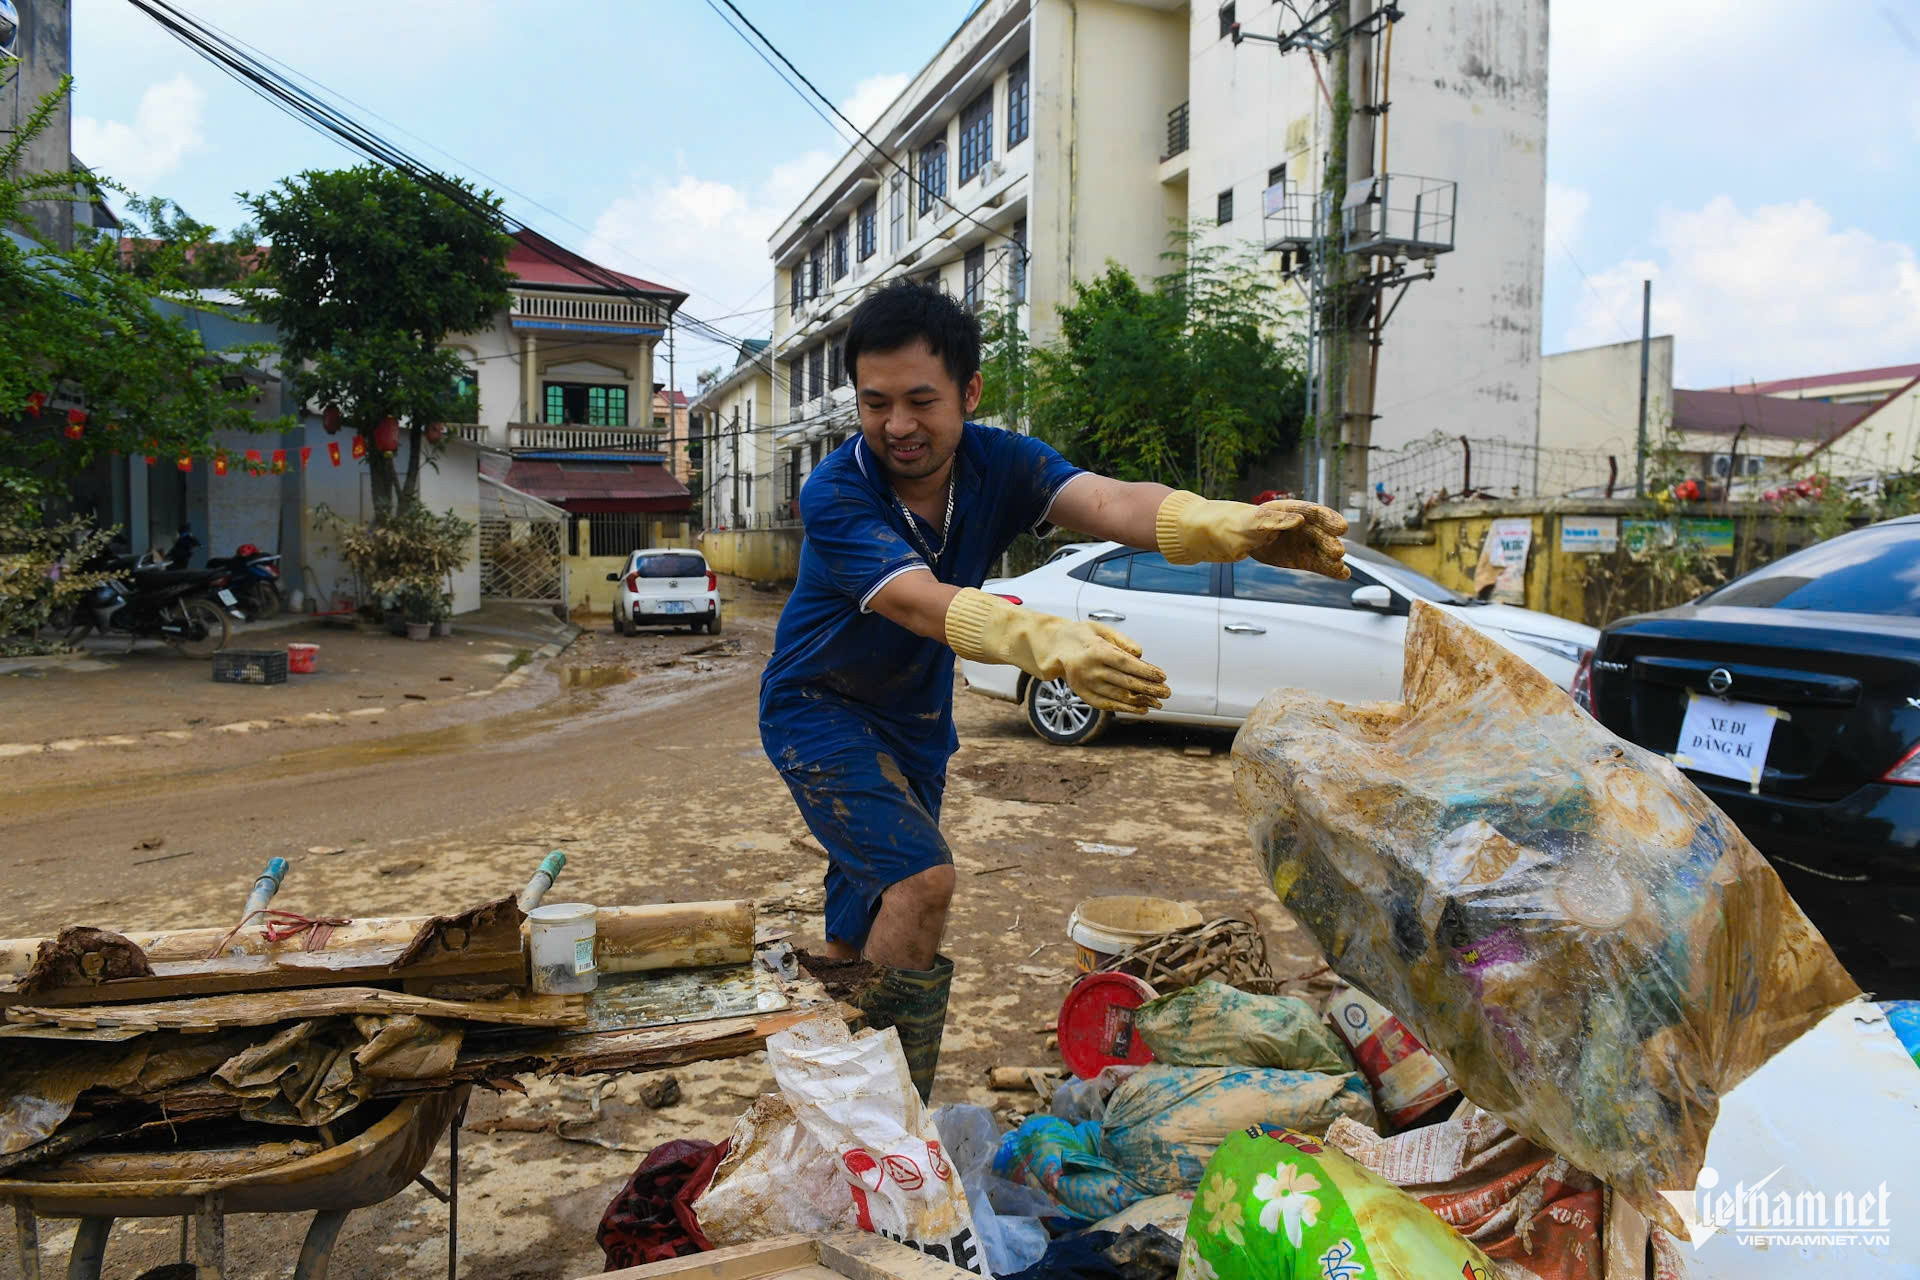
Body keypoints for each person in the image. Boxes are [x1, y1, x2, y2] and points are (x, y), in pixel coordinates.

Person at [759, 280, 1349, 1100]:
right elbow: (911, 599)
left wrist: (1227, 526)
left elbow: (1107, 501)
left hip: (915, 715)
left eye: (922, 400)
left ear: (969, 393)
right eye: (876, 403)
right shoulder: (836, 491)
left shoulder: (999, 462)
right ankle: (879, 1113)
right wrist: (1045, 641)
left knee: (864, 903)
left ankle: (837, 1051)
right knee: (920, 880)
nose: (898, 426)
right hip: (818, 706)